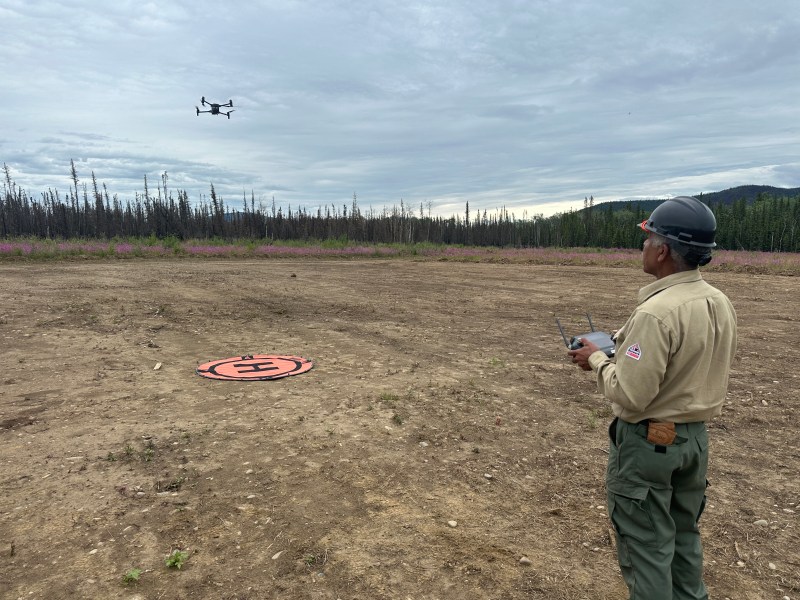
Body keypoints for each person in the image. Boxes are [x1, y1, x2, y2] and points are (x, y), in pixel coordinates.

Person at [567, 196, 737, 600]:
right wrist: (621, 354)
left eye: (647, 239)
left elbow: (632, 393)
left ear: (662, 250)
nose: (641, 247)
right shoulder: (719, 302)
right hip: (694, 441)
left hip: (649, 445)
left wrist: (596, 360)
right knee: (683, 541)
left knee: (646, 549)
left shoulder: (656, 313)